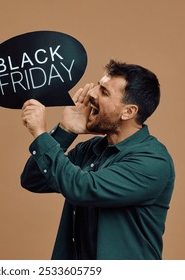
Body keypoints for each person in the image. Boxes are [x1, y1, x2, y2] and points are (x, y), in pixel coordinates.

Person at [20, 59, 175, 260]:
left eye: (104, 91)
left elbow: (82, 188)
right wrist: (65, 131)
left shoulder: (152, 161)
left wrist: (40, 134)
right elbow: (34, 179)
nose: (91, 93)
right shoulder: (92, 148)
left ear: (128, 112)